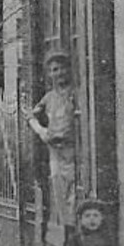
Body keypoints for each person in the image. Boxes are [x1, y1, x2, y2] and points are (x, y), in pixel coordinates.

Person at [27, 54, 80, 232]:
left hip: (73, 151)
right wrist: (41, 131)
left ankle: (74, 237)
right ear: (49, 74)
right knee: (61, 195)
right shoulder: (48, 98)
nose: (59, 73)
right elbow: (31, 116)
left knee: (75, 197)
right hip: (56, 154)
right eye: (54, 70)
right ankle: (68, 235)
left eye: (62, 68)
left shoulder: (75, 93)